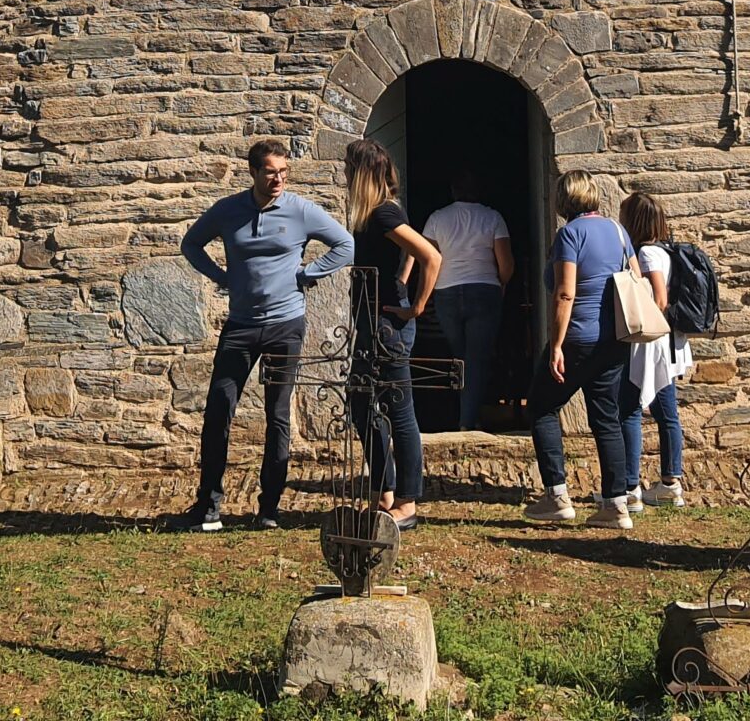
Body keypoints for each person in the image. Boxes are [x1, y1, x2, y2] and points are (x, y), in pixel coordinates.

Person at [172, 138, 353, 532]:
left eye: (283, 173)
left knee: (278, 415)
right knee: (219, 407)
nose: (278, 180)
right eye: (270, 172)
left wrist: (307, 275)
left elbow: (345, 244)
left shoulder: (300, 211)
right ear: (253, 171)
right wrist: (221, 277)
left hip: (286, 326)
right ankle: (208, 507)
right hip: (240, 326)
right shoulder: (229, 211)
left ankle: (269, 509)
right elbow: (191, 244)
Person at [521, 171, 638, 529]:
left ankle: (556, 495)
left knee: (541, 406)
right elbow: (636, 278)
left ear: (563, 200)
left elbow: (565, 292)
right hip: (614, 341)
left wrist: (556, 344)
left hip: (579, 339)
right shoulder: (619, 232)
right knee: (606, 418)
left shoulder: (569, 234)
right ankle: (616, 504)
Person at [342, 139, 441, 529]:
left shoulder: (383, 214)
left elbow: (430, 254)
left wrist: (414, 306)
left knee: (399, 410)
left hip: (386, 327)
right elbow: (415, 250)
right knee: (361, 404)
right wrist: (400, 279)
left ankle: (406, 503)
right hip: (373, 323)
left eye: (350, 169)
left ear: (361, 173)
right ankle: (385, 491)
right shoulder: (380, 213)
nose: (345, 175)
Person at [421, 166, 513, 430]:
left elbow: (428, 259)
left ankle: (463, 416)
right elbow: (506, 265)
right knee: (477, 359)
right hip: (484, 291)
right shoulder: (493, 218)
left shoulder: (437, 218)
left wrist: (422, 296)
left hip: (446, 292)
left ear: (453, 191)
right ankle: (468, 422)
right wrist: (502, 282)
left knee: (460, 357)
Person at [617, 190, 689, 510]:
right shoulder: (665, 250)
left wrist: (644, 325)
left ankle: (630, 487)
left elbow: (659, 297)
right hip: (666, 342)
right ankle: (670, 483)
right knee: (665, 412)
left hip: (651, 343)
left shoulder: (646, 253)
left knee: (630, 408)